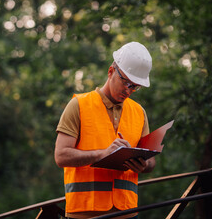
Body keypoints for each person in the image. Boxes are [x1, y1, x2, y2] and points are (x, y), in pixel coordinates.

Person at [54, 42, 155, 219]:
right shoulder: (79, 105)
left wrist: (144, 165)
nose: (128, 90)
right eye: (125, 82)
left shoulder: (139, 112)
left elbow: (152, 161)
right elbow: (61, 156)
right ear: (110, 71)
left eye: (135, 86)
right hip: (84, 213)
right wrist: (102, 154)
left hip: (127, 212)